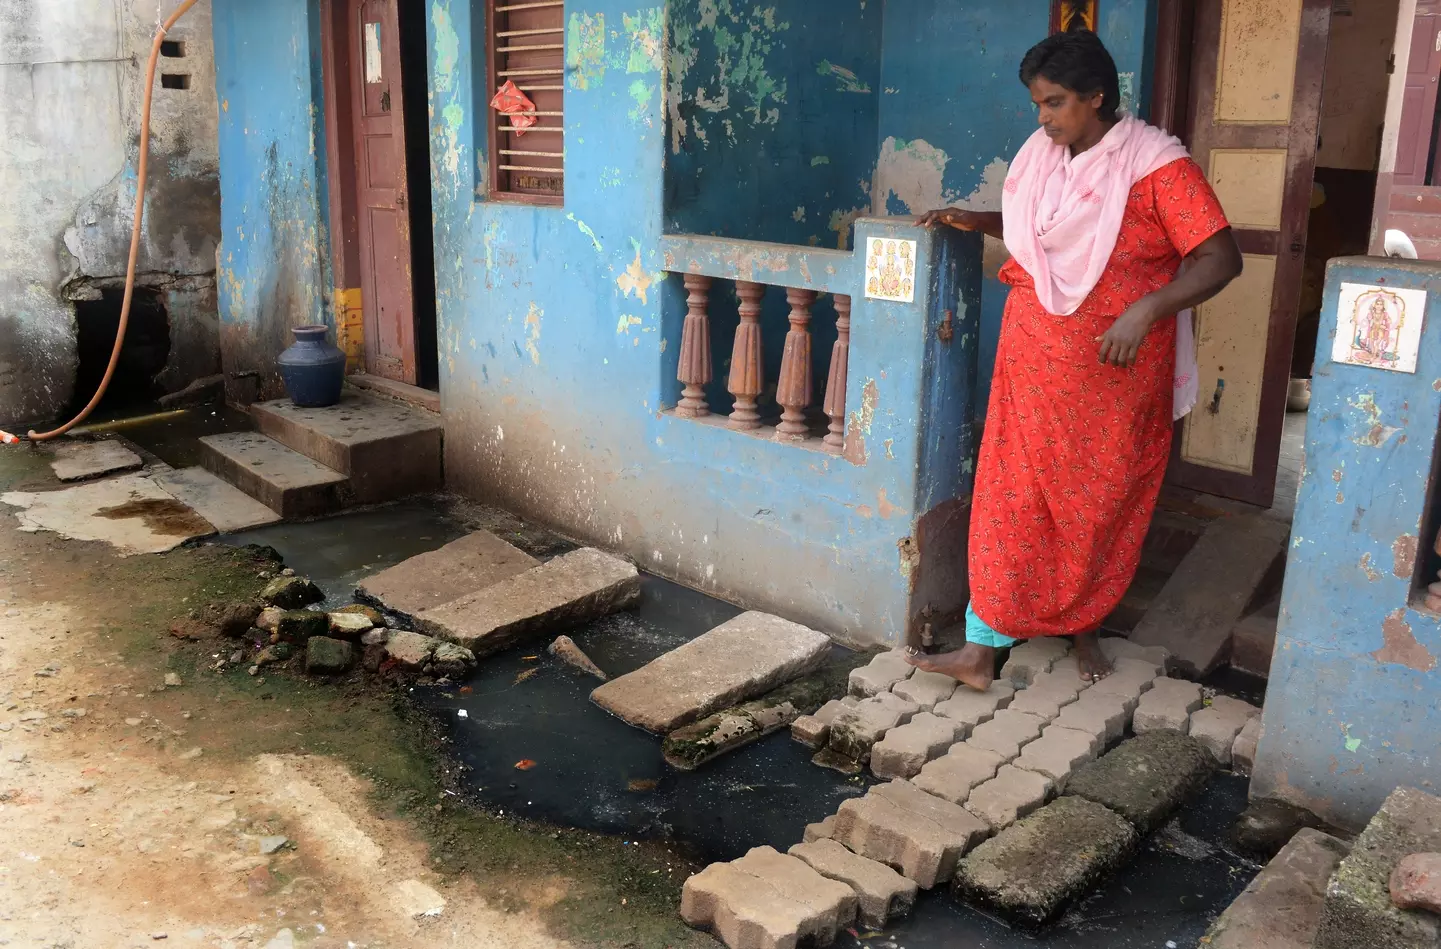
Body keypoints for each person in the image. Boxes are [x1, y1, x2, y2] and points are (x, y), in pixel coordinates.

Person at [911, 30, 1242, 688]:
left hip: (1111, 378)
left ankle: (1082, 626)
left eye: (1054, 103)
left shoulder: (1155, 169)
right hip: (1031, 362)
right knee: (1012, 498)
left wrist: (1146, 309)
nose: (1042, 118)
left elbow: (1220, 258)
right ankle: (980, 649)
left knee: (1095, 506)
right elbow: (1045, 225)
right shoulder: (1043, 155)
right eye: (1036, 103)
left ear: (1095, 97)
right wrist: (977, 220)